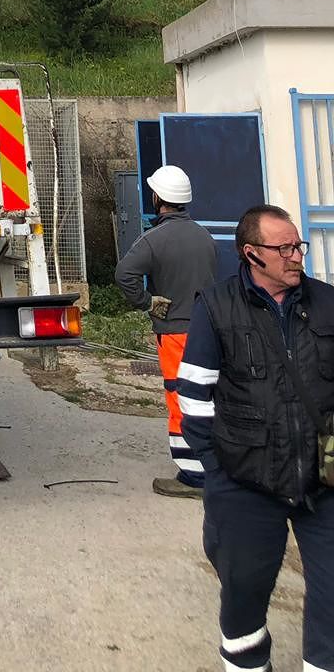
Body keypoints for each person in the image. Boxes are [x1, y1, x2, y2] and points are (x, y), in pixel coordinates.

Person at [178, 205, 334, 672]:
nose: (296, 256)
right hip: (245, 480)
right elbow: (194, 397)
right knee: (243, 588)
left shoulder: (328, 302)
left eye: (297, 246)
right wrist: (217, 471)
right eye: (283, 248)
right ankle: (248, 661)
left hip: (325, 476)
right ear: (251, 254)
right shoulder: (216, 306)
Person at [115, 163, 217, 496]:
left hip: (174, 332)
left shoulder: (153, 240)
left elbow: (124, 274)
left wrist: (146, 301)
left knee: (179, 397)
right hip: (209, 331)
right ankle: (214, 466)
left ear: (158, 198)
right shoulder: (204, 236)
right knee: (206, 397)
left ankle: (193, 477)